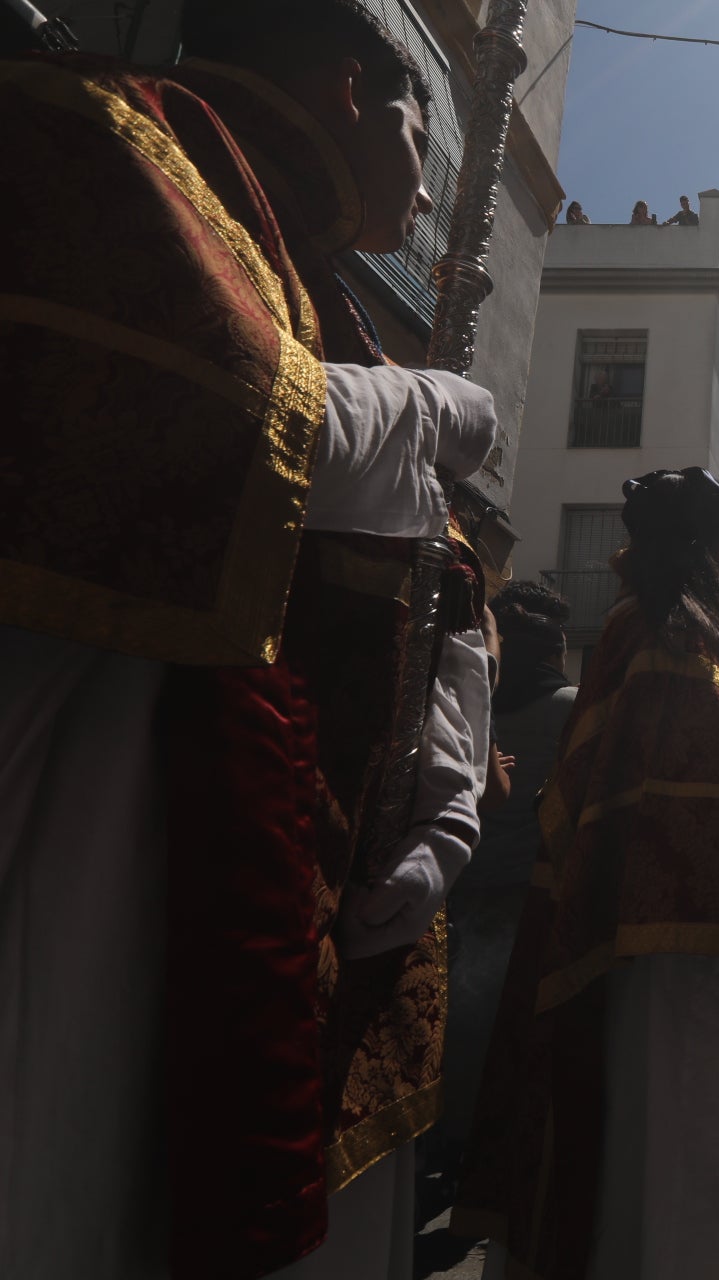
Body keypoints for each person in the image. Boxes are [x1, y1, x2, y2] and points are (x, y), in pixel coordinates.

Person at [0, 3, 500, 1274]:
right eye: (418, 132)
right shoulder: (117, 136)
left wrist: (446, 806)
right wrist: (419, 409)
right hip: (115, 822)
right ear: (348, 85)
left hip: (305, 888)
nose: (428, 184)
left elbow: (433, 596)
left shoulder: (328, 287)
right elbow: (221, 421)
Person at [457, 468, 719, 1278]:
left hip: (686, 937)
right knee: (685, 1141)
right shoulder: (667, 638)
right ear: (705, 546)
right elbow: (666, 802)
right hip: (670, 960)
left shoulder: (667, 633)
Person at [440, 582, 576, 1169]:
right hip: (533, 886)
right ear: (554, 652)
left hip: (464, 877)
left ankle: (452, 1137)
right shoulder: (570, 706)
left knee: (465, 1015)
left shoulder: (474, 701)